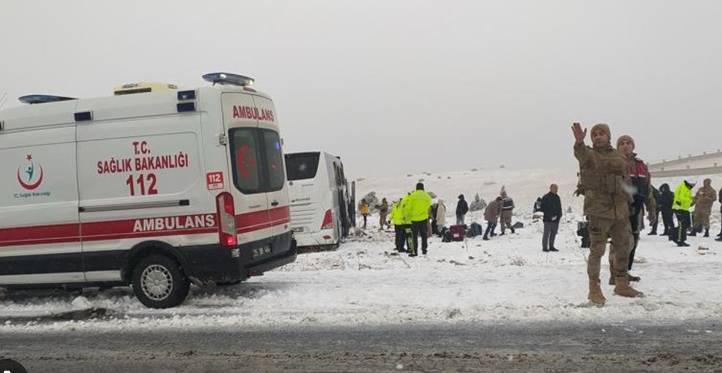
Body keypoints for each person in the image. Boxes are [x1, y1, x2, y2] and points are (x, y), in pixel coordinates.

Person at [572, 122, 642, 307]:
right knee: (597, 251)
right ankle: (594, 288)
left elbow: (626, 180)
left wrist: (630, 202)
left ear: (609, 136)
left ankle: (621, 283)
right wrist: (579, 142)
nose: (598, 136)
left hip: (620, 211)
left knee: (623, 247)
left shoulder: (619, 156)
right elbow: (580, 153)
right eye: (594, 134)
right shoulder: (588, 154)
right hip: (598, 211)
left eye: (602, 133)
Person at [609, 135, 656, 284]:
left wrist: (652, 209)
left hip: (637, 209)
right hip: (619, 208)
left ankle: (624, 272)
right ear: (617, 147)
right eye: (621, 143)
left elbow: (648, 189)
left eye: (628, 143)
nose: (625, 145)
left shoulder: (641, 165)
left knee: (633, 241)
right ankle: (614, 274)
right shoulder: (613, 163)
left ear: (633, 146)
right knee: (619, 242)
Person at [403, 183, 432, 256]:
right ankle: (424, 250)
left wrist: (406, 216)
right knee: (424, 235)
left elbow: (408, 207)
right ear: (423, 188)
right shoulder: (427, 196)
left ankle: (415, 251)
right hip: (423, 218)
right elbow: (429, 205)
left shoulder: (412, 196)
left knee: (414, 236)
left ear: (416, 188)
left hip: (414, 219)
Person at [672, 180, 695, 247]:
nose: (693, 186)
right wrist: (690, 199)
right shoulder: (683, 188)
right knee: (681, 225)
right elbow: (681, 197)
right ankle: (679, 240)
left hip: (684, 208)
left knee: (686, 225)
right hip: (679, 208)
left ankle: (681, 239)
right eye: (692, 184)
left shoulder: (687, 188)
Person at [540, 184, 562, 252]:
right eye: (555, 188)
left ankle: (551, 246)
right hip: (548, 219)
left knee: (553, 233)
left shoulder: (557, 197)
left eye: (557, 188)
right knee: (546, 234)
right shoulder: (546, 197)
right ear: (550, 188)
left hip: (556, 220)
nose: (556, 190)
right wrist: (550, 216)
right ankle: (545, 247)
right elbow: (543, 208)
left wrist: (559, 216)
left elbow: (559, 207)